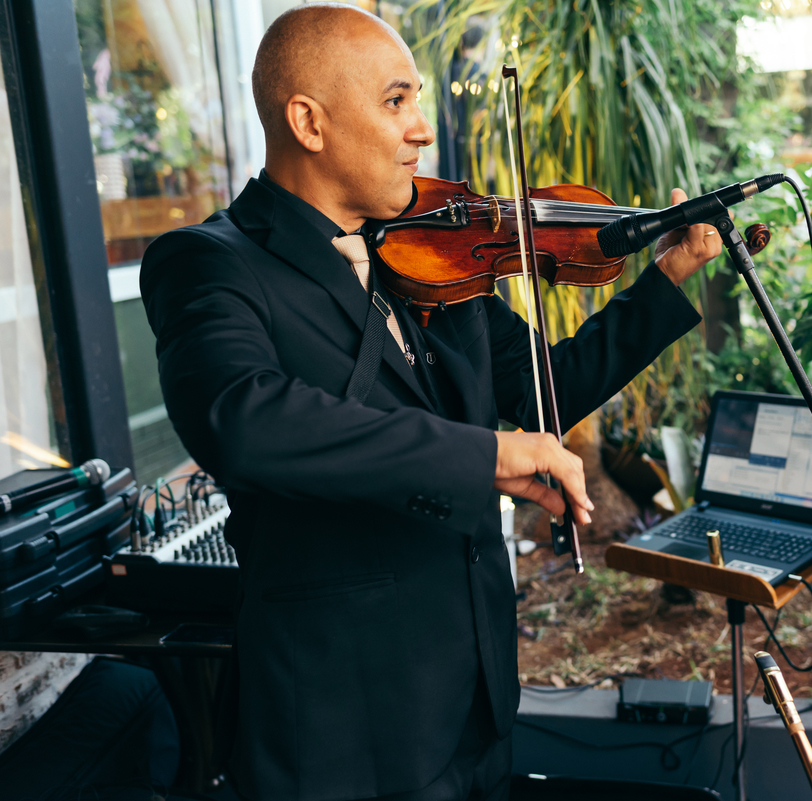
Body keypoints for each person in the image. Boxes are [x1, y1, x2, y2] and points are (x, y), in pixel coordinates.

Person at [140, 5, 722, 801]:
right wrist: (487, 455)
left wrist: (664, 282)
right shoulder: (210, 264)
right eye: (396, 101)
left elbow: (545, 388)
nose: (423, 130)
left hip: (476, 706)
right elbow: (247, 417)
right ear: (308, 121)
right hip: (345, 735)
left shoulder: (434, 258)